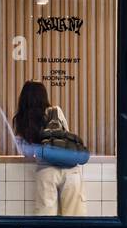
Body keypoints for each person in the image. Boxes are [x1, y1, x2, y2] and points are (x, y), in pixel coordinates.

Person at [12, 81, 86, 216]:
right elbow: (66, 137)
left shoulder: (22, 119)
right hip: (70, 170)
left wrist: (40, 150)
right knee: (75, 217)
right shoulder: (55, 111)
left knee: (46, 218)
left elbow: (26, 153)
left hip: (46, 172)